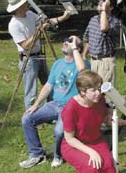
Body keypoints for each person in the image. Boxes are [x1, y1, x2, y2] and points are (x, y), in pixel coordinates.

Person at [19, 36, 90, 168]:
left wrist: (74, 48)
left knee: (59, 131)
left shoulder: (84, 63)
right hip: (55, 104)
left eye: (70, 41)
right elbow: (48, 85)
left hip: (71, 107)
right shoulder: (58, 64)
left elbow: (82, 70)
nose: (66, 42)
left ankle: (59, 155)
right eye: (66, 39)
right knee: (27, 118)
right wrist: (36, 104)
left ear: (77, 48)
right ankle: (36, 155)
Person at [7, 0, 70, 109]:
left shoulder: (30, 14)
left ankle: (52, 110)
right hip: (28, 60)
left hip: (40, 55)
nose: (28, 3)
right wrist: (39, 30)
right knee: (31, 92)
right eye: (26, 2)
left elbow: (46, 22)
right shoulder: (14, 24)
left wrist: (63, 17)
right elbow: (25, 45)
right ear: (19, 6)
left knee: (50, 83)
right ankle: (31, 116)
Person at [61, 70, 126, 173]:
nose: (98, 93)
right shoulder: (70, 108)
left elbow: (106, 120)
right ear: (82, 91)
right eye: (93, 90)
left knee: (108, 166)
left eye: (99, 89)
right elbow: (70, 139)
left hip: (96, 141)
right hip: (74, 145)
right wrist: (91, 152)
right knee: (91, 167)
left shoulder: (100, 100)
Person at [82, 0, 120, 85]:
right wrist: (84, 55)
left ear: (111, 8)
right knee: (93, 91)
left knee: (105, 93)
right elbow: (87, 39)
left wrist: (103, 10)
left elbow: (104, 28)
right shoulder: (93, 19)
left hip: (105, 62)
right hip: (93, 61)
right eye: (101, 0)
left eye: (104, 1)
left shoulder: (115, 22)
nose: (100, 2)